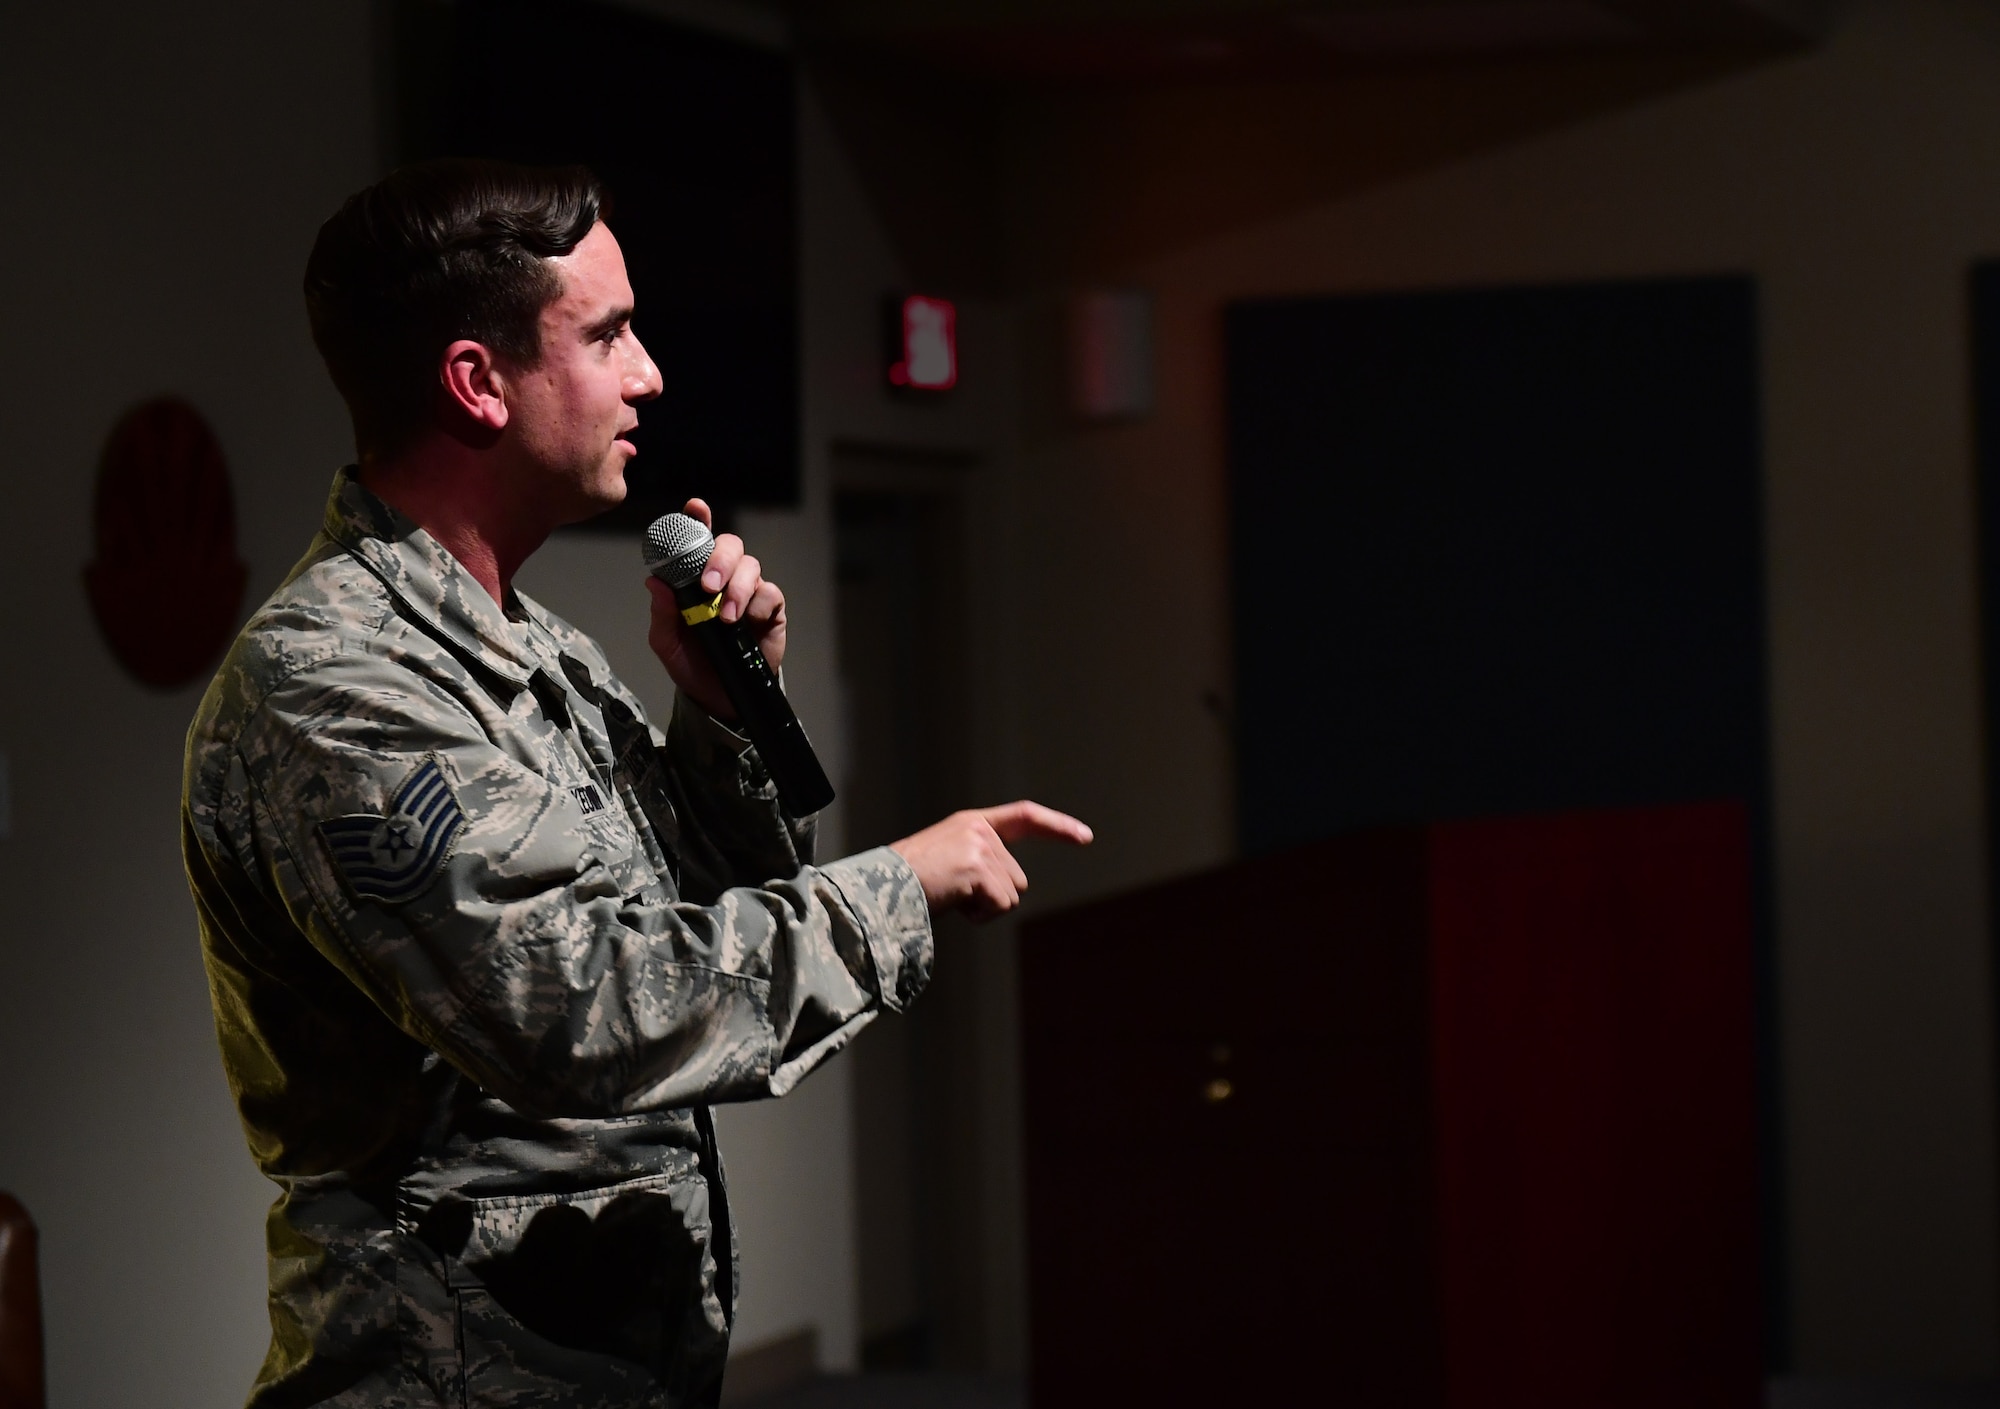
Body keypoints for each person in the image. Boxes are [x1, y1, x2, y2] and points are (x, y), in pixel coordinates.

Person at [180, 159, 1091, 1409]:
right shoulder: (334, 686)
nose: (647, 372)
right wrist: (896, 887)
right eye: (606, 333)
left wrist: (718, 726)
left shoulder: (536, 647)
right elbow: (580, 1014)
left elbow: (677, 937)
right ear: (476, 382)